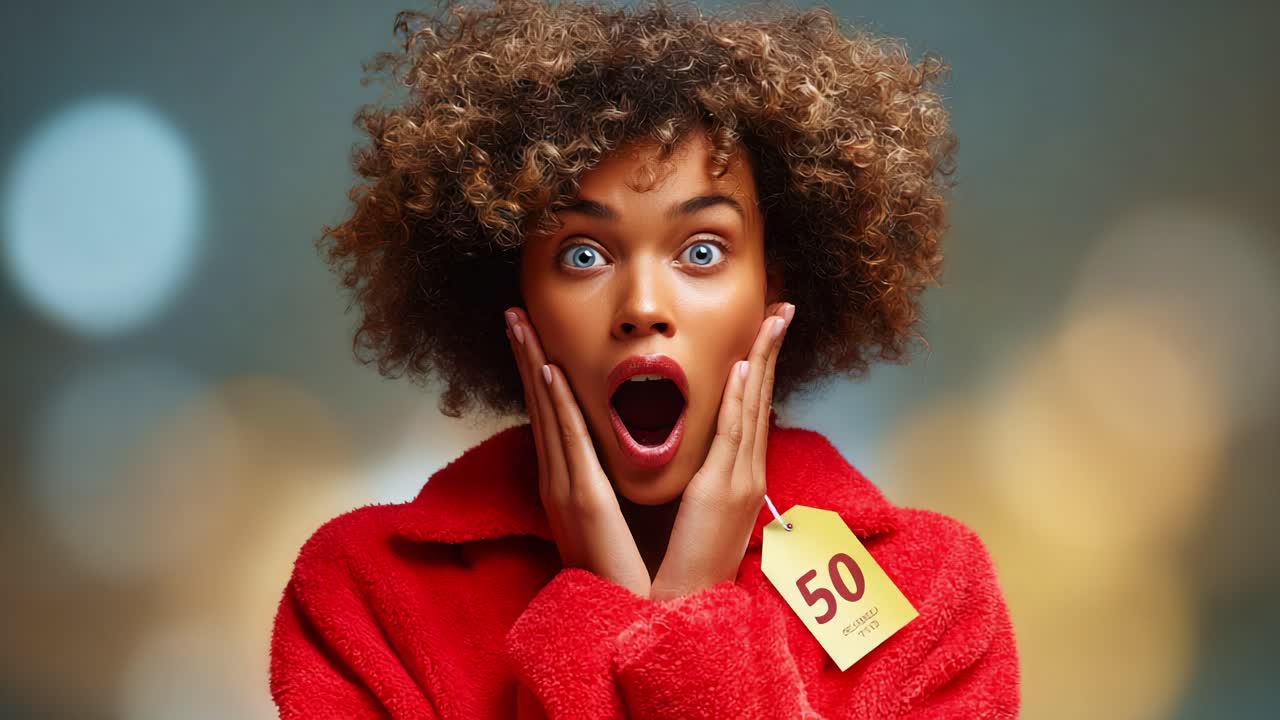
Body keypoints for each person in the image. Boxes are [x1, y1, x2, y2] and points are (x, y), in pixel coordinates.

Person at [269, 0, 1020, 717]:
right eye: (583, 254)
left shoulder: (931, 590)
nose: (642, 305)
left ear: (773, 287)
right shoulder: (366, 595)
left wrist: (690, 612)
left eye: (702, 251)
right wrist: (599, 604)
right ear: (513, 293)